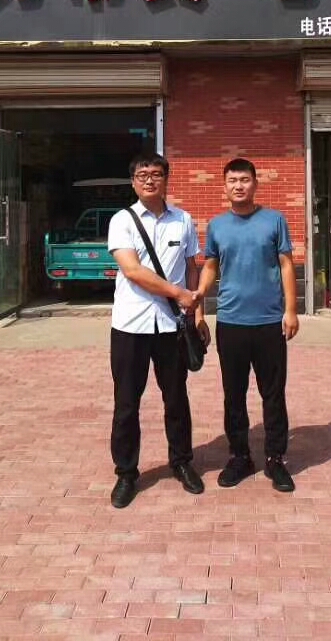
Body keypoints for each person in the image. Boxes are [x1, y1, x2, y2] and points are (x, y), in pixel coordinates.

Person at [106, 152, 211, 509]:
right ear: (133, 182)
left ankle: (181, 462)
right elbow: (132, 271)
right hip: (130, 326)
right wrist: (179, 294)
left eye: (156, 174)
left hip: (172, 327)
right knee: (126, 402)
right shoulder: (121, 221)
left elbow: (192, 268)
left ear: (166, 179)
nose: (149, 180)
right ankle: (126, 473)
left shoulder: (183, 220)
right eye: (142, 175)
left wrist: (197, 314)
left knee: (176, 398)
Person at [197, 157, 299, 493]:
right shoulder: (217, 226)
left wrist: (291, 310)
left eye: (244, 180)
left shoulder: (274, 220)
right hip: (231, 322)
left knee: (273, 393)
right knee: (234, 394)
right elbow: (210, 267)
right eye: (233, 180)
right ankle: (240, 456)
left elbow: (286, 265)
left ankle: (275, 459)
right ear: (224, 186)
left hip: (269, 321)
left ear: (255, 183)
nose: (238, 186)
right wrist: (198, 303)